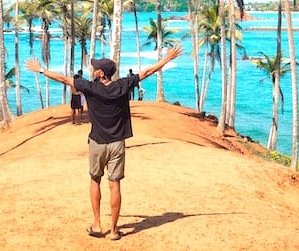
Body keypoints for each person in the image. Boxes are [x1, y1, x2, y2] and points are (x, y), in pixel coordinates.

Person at [25, 44, 183, 241]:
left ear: (101, 73)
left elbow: (63, 79)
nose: (93, 69)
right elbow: (147, 72)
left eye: (95, 67)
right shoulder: (122, 86)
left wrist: (40, 69)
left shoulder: (89, 87)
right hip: (117, 143)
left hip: (97, 143)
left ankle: (98, 224)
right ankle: (115, 230)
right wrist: (167, 58)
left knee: (95, 180)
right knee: (114, 184)